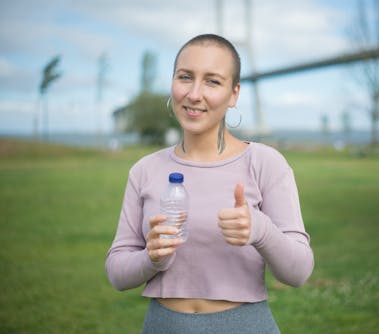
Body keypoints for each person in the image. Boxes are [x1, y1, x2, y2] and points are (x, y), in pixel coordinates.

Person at [105, 33, 314, 334]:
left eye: (213, 81)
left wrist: (260, 229)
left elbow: (299, 272)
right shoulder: (145, 170)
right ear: (173, 83)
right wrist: (151, 259)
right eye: (185, 77)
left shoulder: (266, 163)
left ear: (234, 94)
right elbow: (117, 273)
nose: (193, 93)